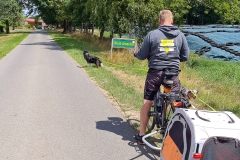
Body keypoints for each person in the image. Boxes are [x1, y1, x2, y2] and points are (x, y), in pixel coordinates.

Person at [133, 10, 190, 145]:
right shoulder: (180, 35)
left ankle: (142, 135)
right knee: (175, 101)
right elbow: (185, 56)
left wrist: (136, 54)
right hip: (172, 74)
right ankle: (179, 137)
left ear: (160, 21)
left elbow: (142, 55)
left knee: (147, 102)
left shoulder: (152, 34)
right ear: (172, 21)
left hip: (155, 73)